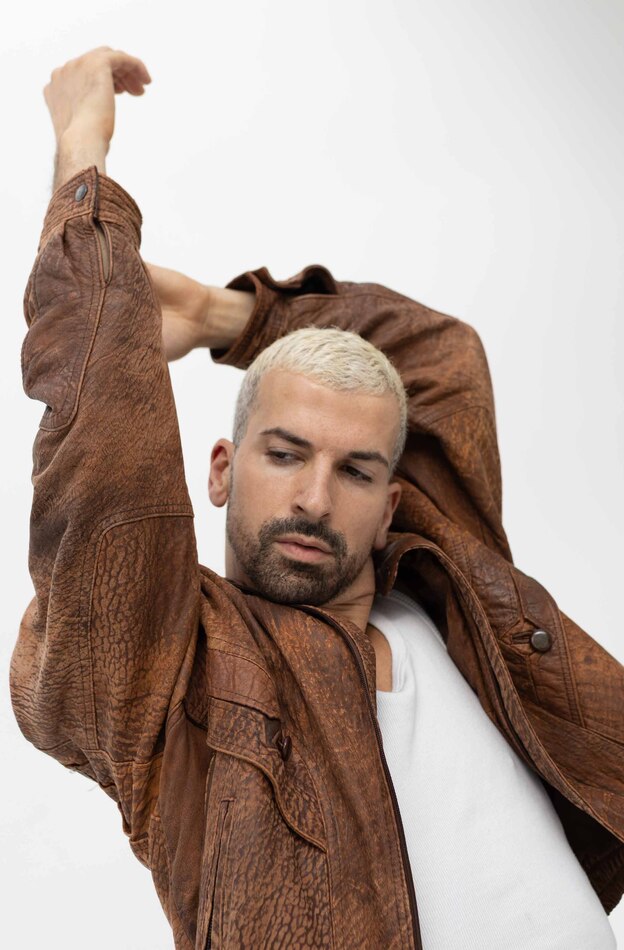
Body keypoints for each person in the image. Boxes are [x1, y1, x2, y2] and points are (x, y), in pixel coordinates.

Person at [10, 47, 623, 950]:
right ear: (222, 469)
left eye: (357, 471)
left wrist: (227, 316)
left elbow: (440, 357)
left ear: (391, 505)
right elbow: (102, 455)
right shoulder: (175, 667)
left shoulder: (448, 586)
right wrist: (81, 159)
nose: (314, 497)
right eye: (285, 453)